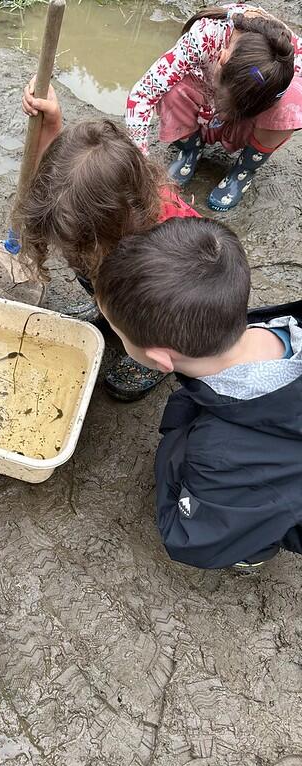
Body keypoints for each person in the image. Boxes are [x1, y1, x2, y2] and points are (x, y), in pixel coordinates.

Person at [95, 216, 302, 571]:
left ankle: (253, 551)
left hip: (266, 485)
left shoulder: (219, 456)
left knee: (229, 520)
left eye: (119, 333)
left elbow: (191, 541)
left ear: (160, 359)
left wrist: (174, 453)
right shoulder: (281, 324)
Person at [17, 99, 201, 400]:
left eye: (85, 240)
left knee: (150, 315)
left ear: (119, 219)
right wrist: (52, 126)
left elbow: (188, 307)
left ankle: (152, 358)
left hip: (170, 300)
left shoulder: (170, 243)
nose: (70, 250)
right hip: (119, 257)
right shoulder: (113, 188)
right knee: (85, 264)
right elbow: (59, 180)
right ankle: (105, 307)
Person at [126, 4, 300, 211]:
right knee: (171, 86)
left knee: (293, 103)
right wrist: (142, 166)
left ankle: (243, 170)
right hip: (203, 101)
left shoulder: (292, 60)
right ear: (222, 58)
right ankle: (191, 150)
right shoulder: (203, 36)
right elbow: (142, 95)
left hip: (248, 116)